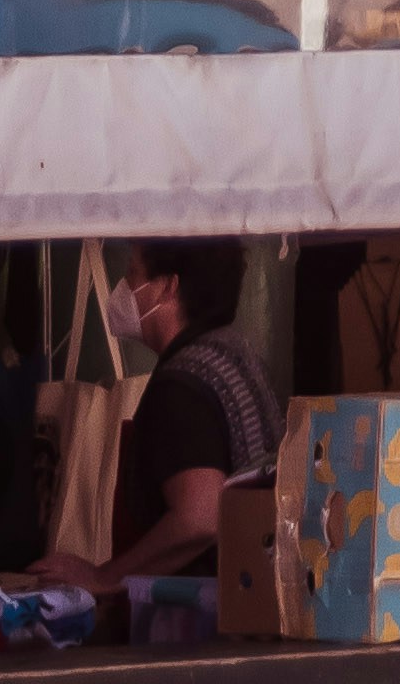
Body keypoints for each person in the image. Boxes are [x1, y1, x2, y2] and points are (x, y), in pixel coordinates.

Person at [45, 243, 277, 610]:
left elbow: (200, 517)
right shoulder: (235, 353)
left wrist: (105, 577)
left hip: (195, 625)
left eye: (133, 274)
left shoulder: (182, 383)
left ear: (168, 287)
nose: (123, 288)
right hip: (248, 605)